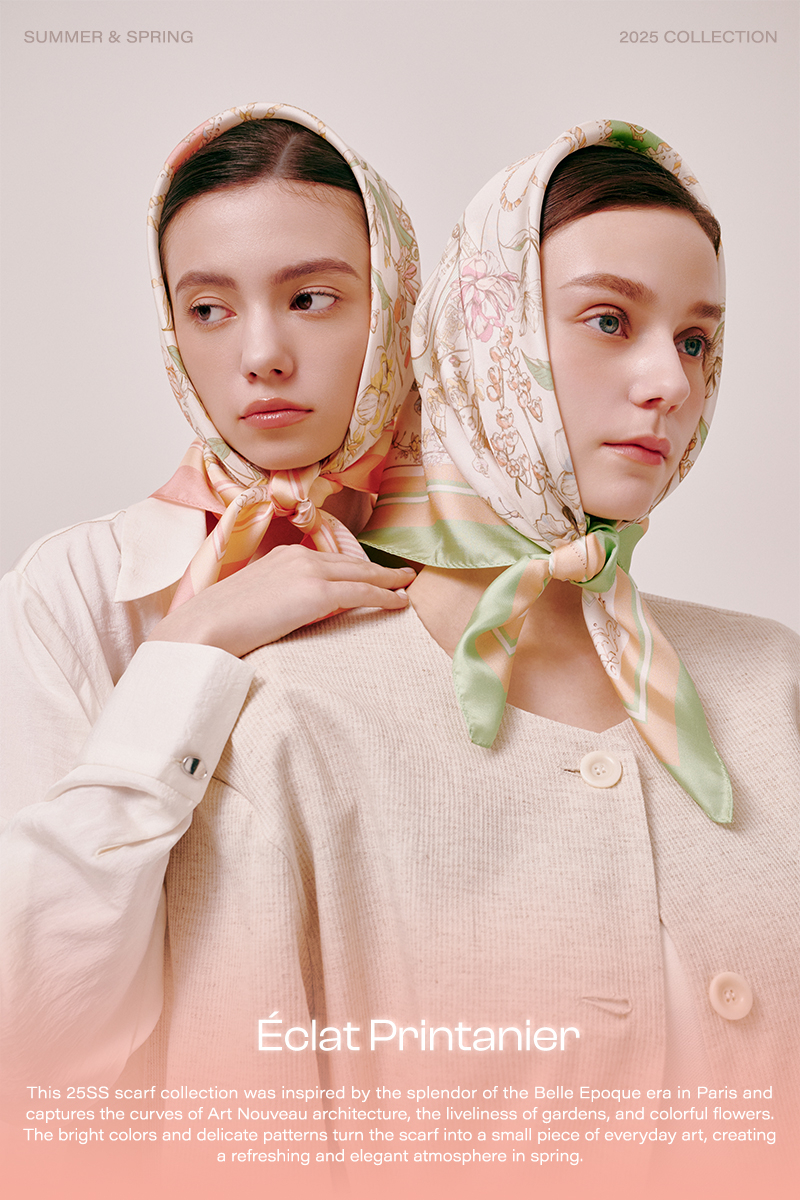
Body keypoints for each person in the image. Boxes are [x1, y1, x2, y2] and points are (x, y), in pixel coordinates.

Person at [130, 121, 796, 1161]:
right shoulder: (289, 724)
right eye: (609, 319)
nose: (669, 381)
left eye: (696, 340)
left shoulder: (776, 683)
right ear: (482, 341)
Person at [0, 102, 418, 1092]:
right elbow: (31, 1019)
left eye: (311, 297)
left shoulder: (488, 576)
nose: (260, 352)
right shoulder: (80, 588)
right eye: (209, 308)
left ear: (394, 305)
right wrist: (188, 651)